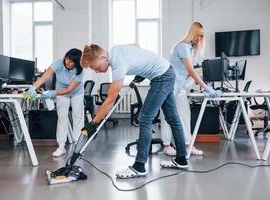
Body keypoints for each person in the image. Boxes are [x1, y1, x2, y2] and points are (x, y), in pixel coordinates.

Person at [80, 44, 189, 179]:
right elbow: (136, 45)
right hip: (167, 72)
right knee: (172, 118)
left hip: (161, 77)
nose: (96, 71)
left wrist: (94, 123)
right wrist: (141, 71)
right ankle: (181, 159)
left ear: (104, 58)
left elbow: (110, 100)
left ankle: (139, 166)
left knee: (144, 119)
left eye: (95, 68)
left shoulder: (117, 65)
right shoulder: (114, 49)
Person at [161, 22, 220, 156]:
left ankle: (187, 145)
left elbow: (189, 73)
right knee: (167, 115)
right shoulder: (183, 46)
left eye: (201, 36)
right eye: (197, 35)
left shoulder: (191, 49)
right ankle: (166, 145)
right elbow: (190, 71)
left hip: (180, 87)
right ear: (191, 33)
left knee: (184, 115)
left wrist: (198, 82)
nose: (199, 39)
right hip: (168, 85)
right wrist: (207, 87)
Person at [28, 48, 84, 157]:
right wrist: (33, 87)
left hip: (76, 92)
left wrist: (52, 93)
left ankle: (79, 146)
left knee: (78, 117)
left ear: (77, 63)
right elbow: (44, 77)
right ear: (65, 56)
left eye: (72, 61)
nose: (68, 62)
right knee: (62, 118)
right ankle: (61, 147)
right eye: (68, 59)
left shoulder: (80, 71)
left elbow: (69, 90)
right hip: (61, 92)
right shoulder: (58, 64)